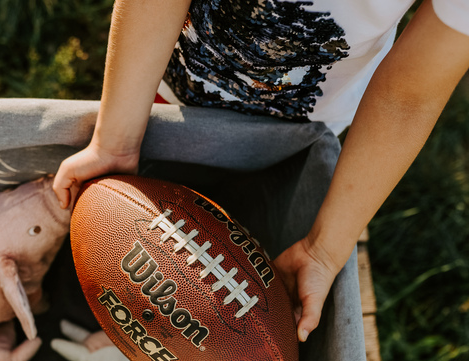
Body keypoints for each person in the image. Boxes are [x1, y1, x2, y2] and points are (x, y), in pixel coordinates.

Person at [52, 0, 469, 342]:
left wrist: (324, 250)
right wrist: (117, 140)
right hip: (171, 78)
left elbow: (410, 94)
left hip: (305, 117)